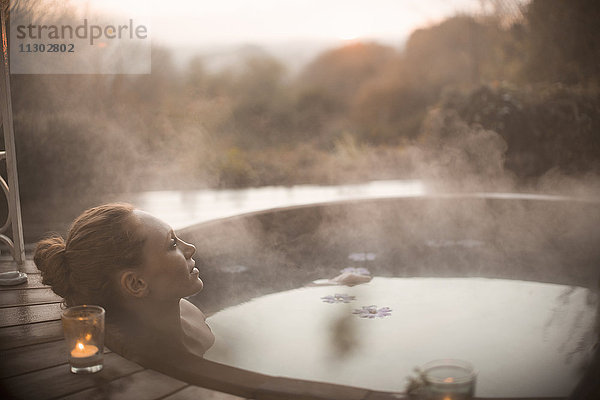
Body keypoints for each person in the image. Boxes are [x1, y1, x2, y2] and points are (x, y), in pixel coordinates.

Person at [34, 203, 215, 359]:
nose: (191, 248)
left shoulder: (186, 311)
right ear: (136, 284)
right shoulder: (158, 357)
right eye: (172, 244)